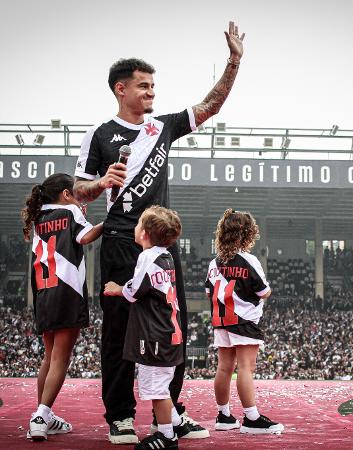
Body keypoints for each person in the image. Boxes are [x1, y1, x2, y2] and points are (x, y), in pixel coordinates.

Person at [73, 21, 244, 444]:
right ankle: (120, 416)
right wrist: (100, 184)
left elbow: (210, 106)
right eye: (144, 86)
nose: (152, 92)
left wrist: (234, 62)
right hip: (118, 242)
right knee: (118, 330)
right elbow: (78, 191)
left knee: (173, 329)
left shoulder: (163, 127)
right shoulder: (99, 134)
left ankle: (171, 414)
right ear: (120, 89)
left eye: (153, 86)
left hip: (161, 245)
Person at [21, 173, 103, 441]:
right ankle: (41, 416)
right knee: (60, 358)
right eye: (75, 193)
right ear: (66, 194)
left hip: (43, 293)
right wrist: (108, 223)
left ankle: (43, 414)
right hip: (67, 291)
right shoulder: (70, 211)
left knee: (49, 356)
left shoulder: (39, 218)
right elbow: (86, 237)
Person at [105, 206, 194, 449]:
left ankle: (167, 436)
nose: (133, 228)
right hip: (169, 333)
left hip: (155, 335)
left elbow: (135, 292)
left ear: (144, 233)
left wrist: (117, 288)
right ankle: (174, 421)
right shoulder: (166, 257)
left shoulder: (147, 257)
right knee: (161, 385)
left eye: (137, 225)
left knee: (157, 390)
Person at [205, 209, 284, 434]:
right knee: (246, 369)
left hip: (221, 319)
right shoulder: (248, 260)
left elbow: (207, 292)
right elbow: (264, 291)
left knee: (224, 368)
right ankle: (251, 418)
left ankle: (224, 415)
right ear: (247, 234)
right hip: (244, 320)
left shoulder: (214, 262)